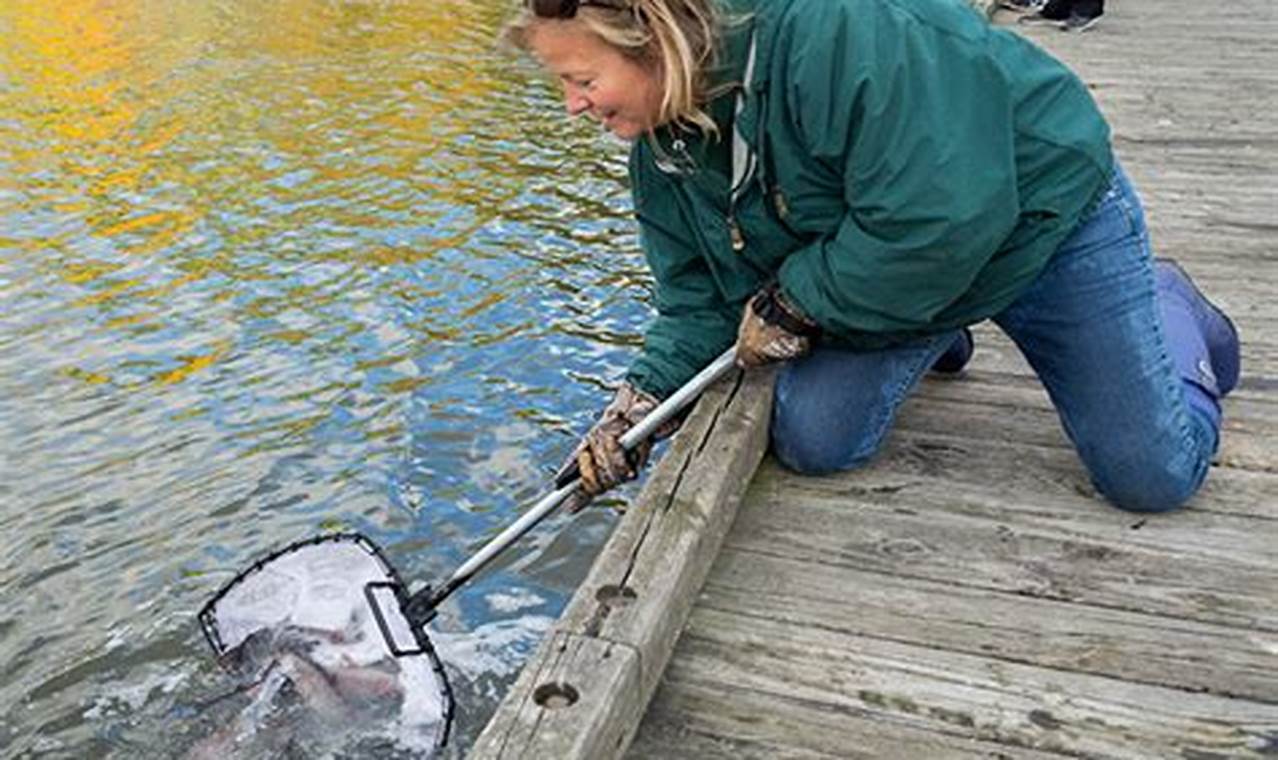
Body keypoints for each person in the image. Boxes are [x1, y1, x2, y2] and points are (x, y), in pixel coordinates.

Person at [507, 0, 1240, 514]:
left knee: (1153, 476)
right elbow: (699, 301)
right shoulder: (663, 145)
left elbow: (942, 218)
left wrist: (798, 302)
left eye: (581, 79)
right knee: (814, 440)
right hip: (900, 266)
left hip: (1039, 220)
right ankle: (934, 332)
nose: (573, 105)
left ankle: (1171, 307)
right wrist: (638, 410)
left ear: (654, 38)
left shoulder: (842, 29)